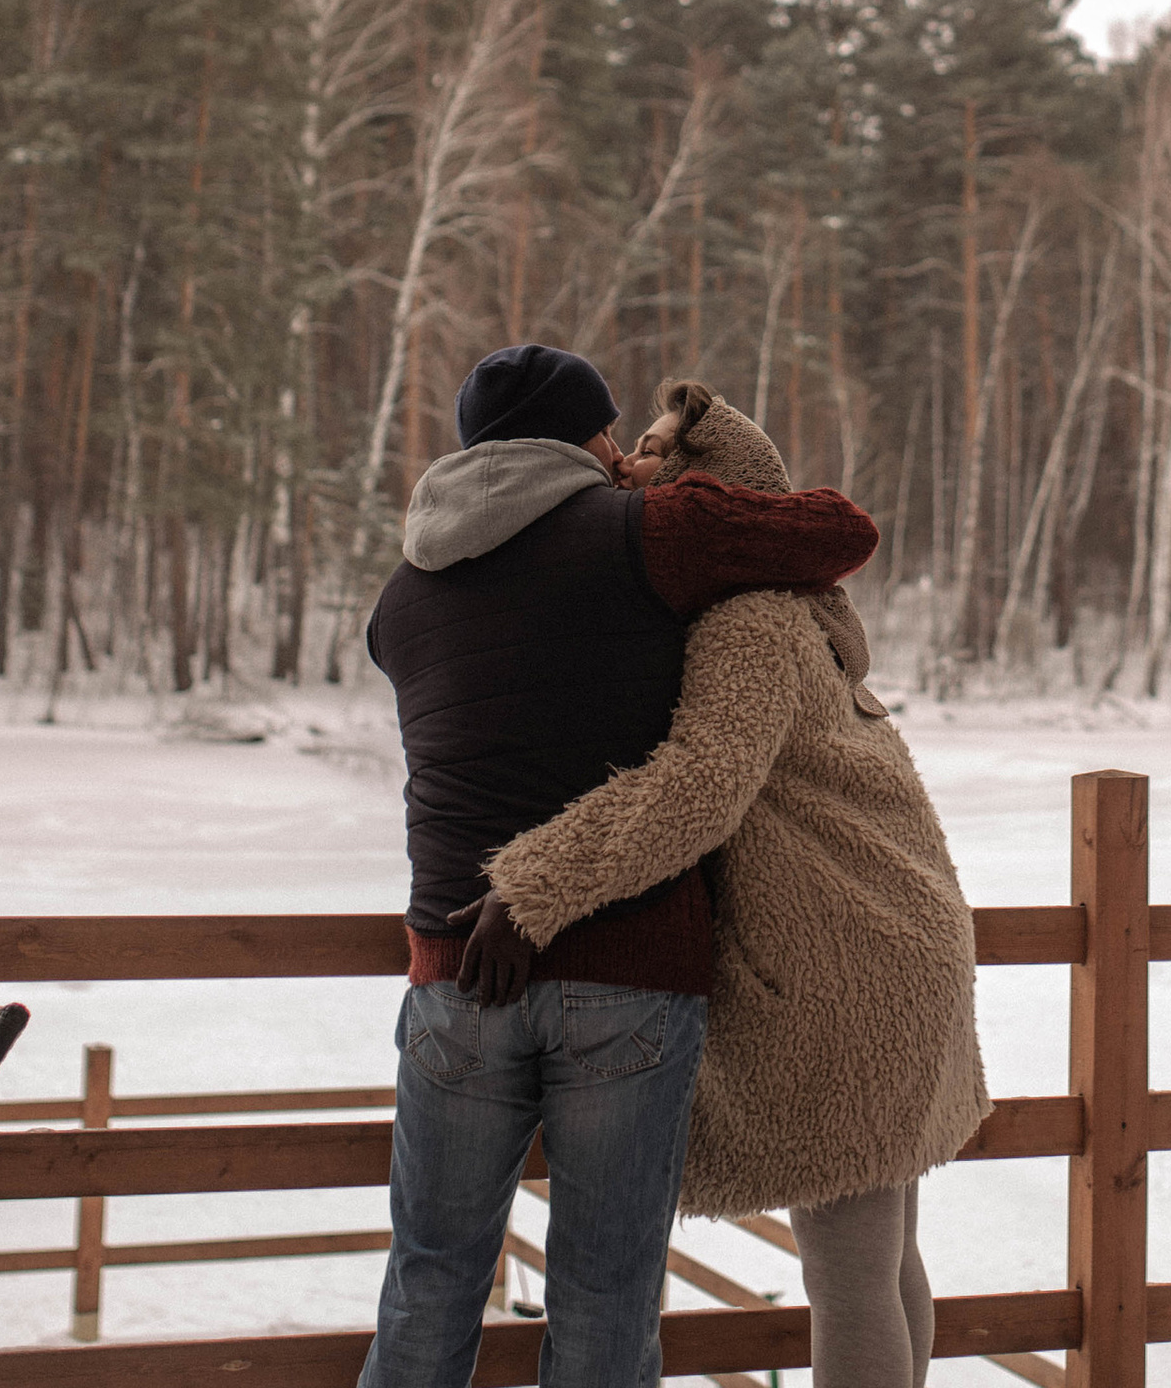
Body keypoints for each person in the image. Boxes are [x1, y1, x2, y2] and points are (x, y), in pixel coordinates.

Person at [361, 345, 878, 1388]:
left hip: (454, 967)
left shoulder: (404, 593)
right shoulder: (647, 529)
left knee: (428, 1280)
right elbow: (840, 531)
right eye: (609, 434)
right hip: (627, 970)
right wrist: (666, 488)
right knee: (604, 1291)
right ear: (591, 439)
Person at [456, 382, 990, 1388]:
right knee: (887, 1252)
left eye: (654, 451)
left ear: (713, 482)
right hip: (899, 954)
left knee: (849, 1275)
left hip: (851, 979)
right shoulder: (805, 621)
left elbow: (698, 787)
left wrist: (532, 882)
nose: (627, 464)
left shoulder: (747, 620)